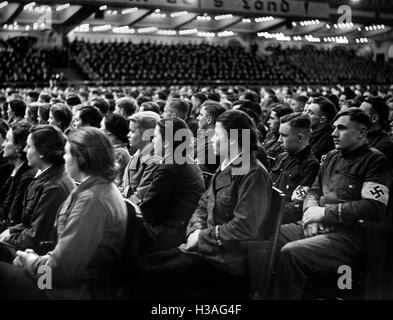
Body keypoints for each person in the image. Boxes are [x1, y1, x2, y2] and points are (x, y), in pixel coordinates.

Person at [134, 110, 272, 299]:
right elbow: (201, 205)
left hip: (226, 261)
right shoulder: (228, 166)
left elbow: (244, 228)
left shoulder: (253, 174)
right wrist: (194, 231)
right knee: (146, 263)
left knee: (147, 275)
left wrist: (201, 238)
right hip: (206, 250)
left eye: (217, 134)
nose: (212, 139)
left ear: (232, 139)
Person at [271, 108, 392, 299]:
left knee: (291, 253)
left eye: (341, 128)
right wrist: (312, 212)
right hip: (317, 225)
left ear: (361, 132)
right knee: (268, 236)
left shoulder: (375, 161)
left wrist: (324, 213)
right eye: (334, 127)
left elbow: (373, 207)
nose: (334, 133)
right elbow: (314, 190)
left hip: (349, 236)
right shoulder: (333, 156)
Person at [0, 127, 128, 299]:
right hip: (66, 277)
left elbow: (62, 273)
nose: (64, 158)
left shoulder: (92, 201)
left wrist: (32, 263)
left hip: (65, 290)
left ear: (80, 159)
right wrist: (39, 259)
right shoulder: (96, 189)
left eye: (67, 153)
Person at [0, 125, 74, 262]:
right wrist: (11, 230)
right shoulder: (47, 177)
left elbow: (37, 238)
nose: (23, 150)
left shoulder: (54, 188)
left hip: (42, 268)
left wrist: (10, 237)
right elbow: (30, 223)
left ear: (42, 152)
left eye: (29, 146)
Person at [137, 117, 205, 255]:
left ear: (167, 142)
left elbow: (149, 212)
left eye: (155, 137)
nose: (153, 141)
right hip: (178, 229)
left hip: (167, 235)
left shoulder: (171, 167)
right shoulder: (184, 160)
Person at [271, 113, 319, 224]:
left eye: (284, 135)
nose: (279, 140)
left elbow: (296, 206)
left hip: (279, 220)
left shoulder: (311, 165)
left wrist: (266, 213)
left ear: (299, 138)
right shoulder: (281, 157)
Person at [0, 121, 36, 232]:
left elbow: (12, 217)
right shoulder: (15, 168)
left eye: (7, 140)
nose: (3, 144)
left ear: (18, 147)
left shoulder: (26, 176)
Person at [122, 111, 161, 203]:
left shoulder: (154, 161)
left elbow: (139, 198)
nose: (128, 135)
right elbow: (124, 187)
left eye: (132, 132)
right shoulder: (139, 153)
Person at [195, 101, 226, 175]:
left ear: (209, 120)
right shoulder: (205, 137)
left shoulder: (211, 142)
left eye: (201, 115)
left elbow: (200, 172)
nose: (197, 118)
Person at [101, 113, 131, 185]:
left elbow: (109, 180)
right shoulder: (113, 149)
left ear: (109, 131)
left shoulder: (118, 153)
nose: (99, 129)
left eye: (101, 126)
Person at [304, 96, 337, 162]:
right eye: (306, 111)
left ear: (322, 119)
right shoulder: (307, 132)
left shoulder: (329, 140)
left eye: (310, 113)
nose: (305, 114)